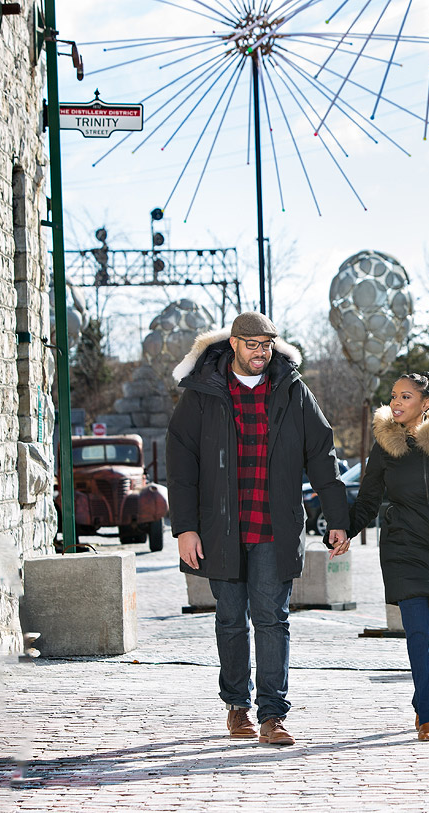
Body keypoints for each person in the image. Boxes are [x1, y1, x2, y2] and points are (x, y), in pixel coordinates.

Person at [167, 311, 350, 746]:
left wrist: (339, 520)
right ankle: (237, 707)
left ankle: (272, 716)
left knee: (273, 620)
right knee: (231, 620)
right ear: (233, 344)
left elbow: (323, 457)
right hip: (219, 530)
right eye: (253, 345)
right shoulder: (202, 394)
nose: (261, 353)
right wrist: (185, 529)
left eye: (267, 344)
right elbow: (181, 466)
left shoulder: (292, 390)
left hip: (274, 526)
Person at [347, 372, 429, 742]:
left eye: (406, 396)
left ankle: (424, 696)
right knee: (418, 627)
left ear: (425, 404)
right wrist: (346, 529)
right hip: (401, 542)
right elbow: (368, 499)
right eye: (394, 395)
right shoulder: (385, 445)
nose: (396, 402)